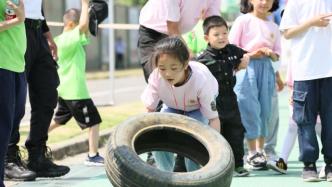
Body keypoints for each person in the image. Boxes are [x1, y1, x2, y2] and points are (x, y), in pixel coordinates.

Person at [5, 0, 69, 180]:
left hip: (37, 30)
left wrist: (47, 35)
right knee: (14, 99)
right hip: (17, 28)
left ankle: (37, 156)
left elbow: (36, 6)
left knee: (47, 92)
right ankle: (8, 158)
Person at [141, 36, 220, 172]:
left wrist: (213, 148)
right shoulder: (155, 77)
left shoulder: (201, 81)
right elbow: (150, 111)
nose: (167, 73)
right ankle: (166, 177)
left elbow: (213, 119)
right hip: (171, 106)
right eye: (162, 68)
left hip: (198, 108)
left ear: (185, 64)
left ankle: (194, 177)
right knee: (159, 136)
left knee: (193, 139)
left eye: (173, 68)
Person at [279, 1, 332, 180]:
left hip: (330, 70)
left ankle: (330, 164)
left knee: (330, 120)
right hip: (305, 71)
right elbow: (287, 33)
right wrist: (311, 22)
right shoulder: (295, 3)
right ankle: (309, 165)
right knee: (305, 121)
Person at [47, 0, 104, 166]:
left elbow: (85, 29)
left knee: (58, 121)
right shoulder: (68, 39)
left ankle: (34, 138)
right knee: (94, 122)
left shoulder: (62, 39)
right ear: (71, 24)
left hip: (65, 90)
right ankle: (92, 156)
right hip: (76, 91)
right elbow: (83, 26)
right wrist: (85, 4)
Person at [229, 0, 281, 170]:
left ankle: (261, 151)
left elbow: (278, 54)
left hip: (266, 69)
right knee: (248, 109)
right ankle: (251, 153)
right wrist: (252, 54)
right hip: (246, 68)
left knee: (266, 111)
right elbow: (231, 48)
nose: (264, 2)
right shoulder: (242, 21)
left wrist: (271, 54)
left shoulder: (273, 26)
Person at [196, 16, 249, 177]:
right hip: (212, 103)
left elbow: (245, 55)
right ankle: (213, 166)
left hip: (231, 100)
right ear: (207, 38)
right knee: (214, 135)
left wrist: (244, 60)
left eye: (225, 33)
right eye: (216, 34)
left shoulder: (232, 51)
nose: (222, 37)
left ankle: (238, 165)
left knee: (236, 132)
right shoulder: (202, 59)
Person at [138, 0, 221, 82]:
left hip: (176, 33)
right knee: (156, 78)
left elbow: (214, 25)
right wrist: (190, 55)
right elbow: (172, 28)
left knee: (187, 78)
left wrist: (226, 51)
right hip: (153, 33)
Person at [0, 0, 28, 184]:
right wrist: (17, 20)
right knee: (2, 127)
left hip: (18, 65)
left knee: (10, 124)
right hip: (2, 64)